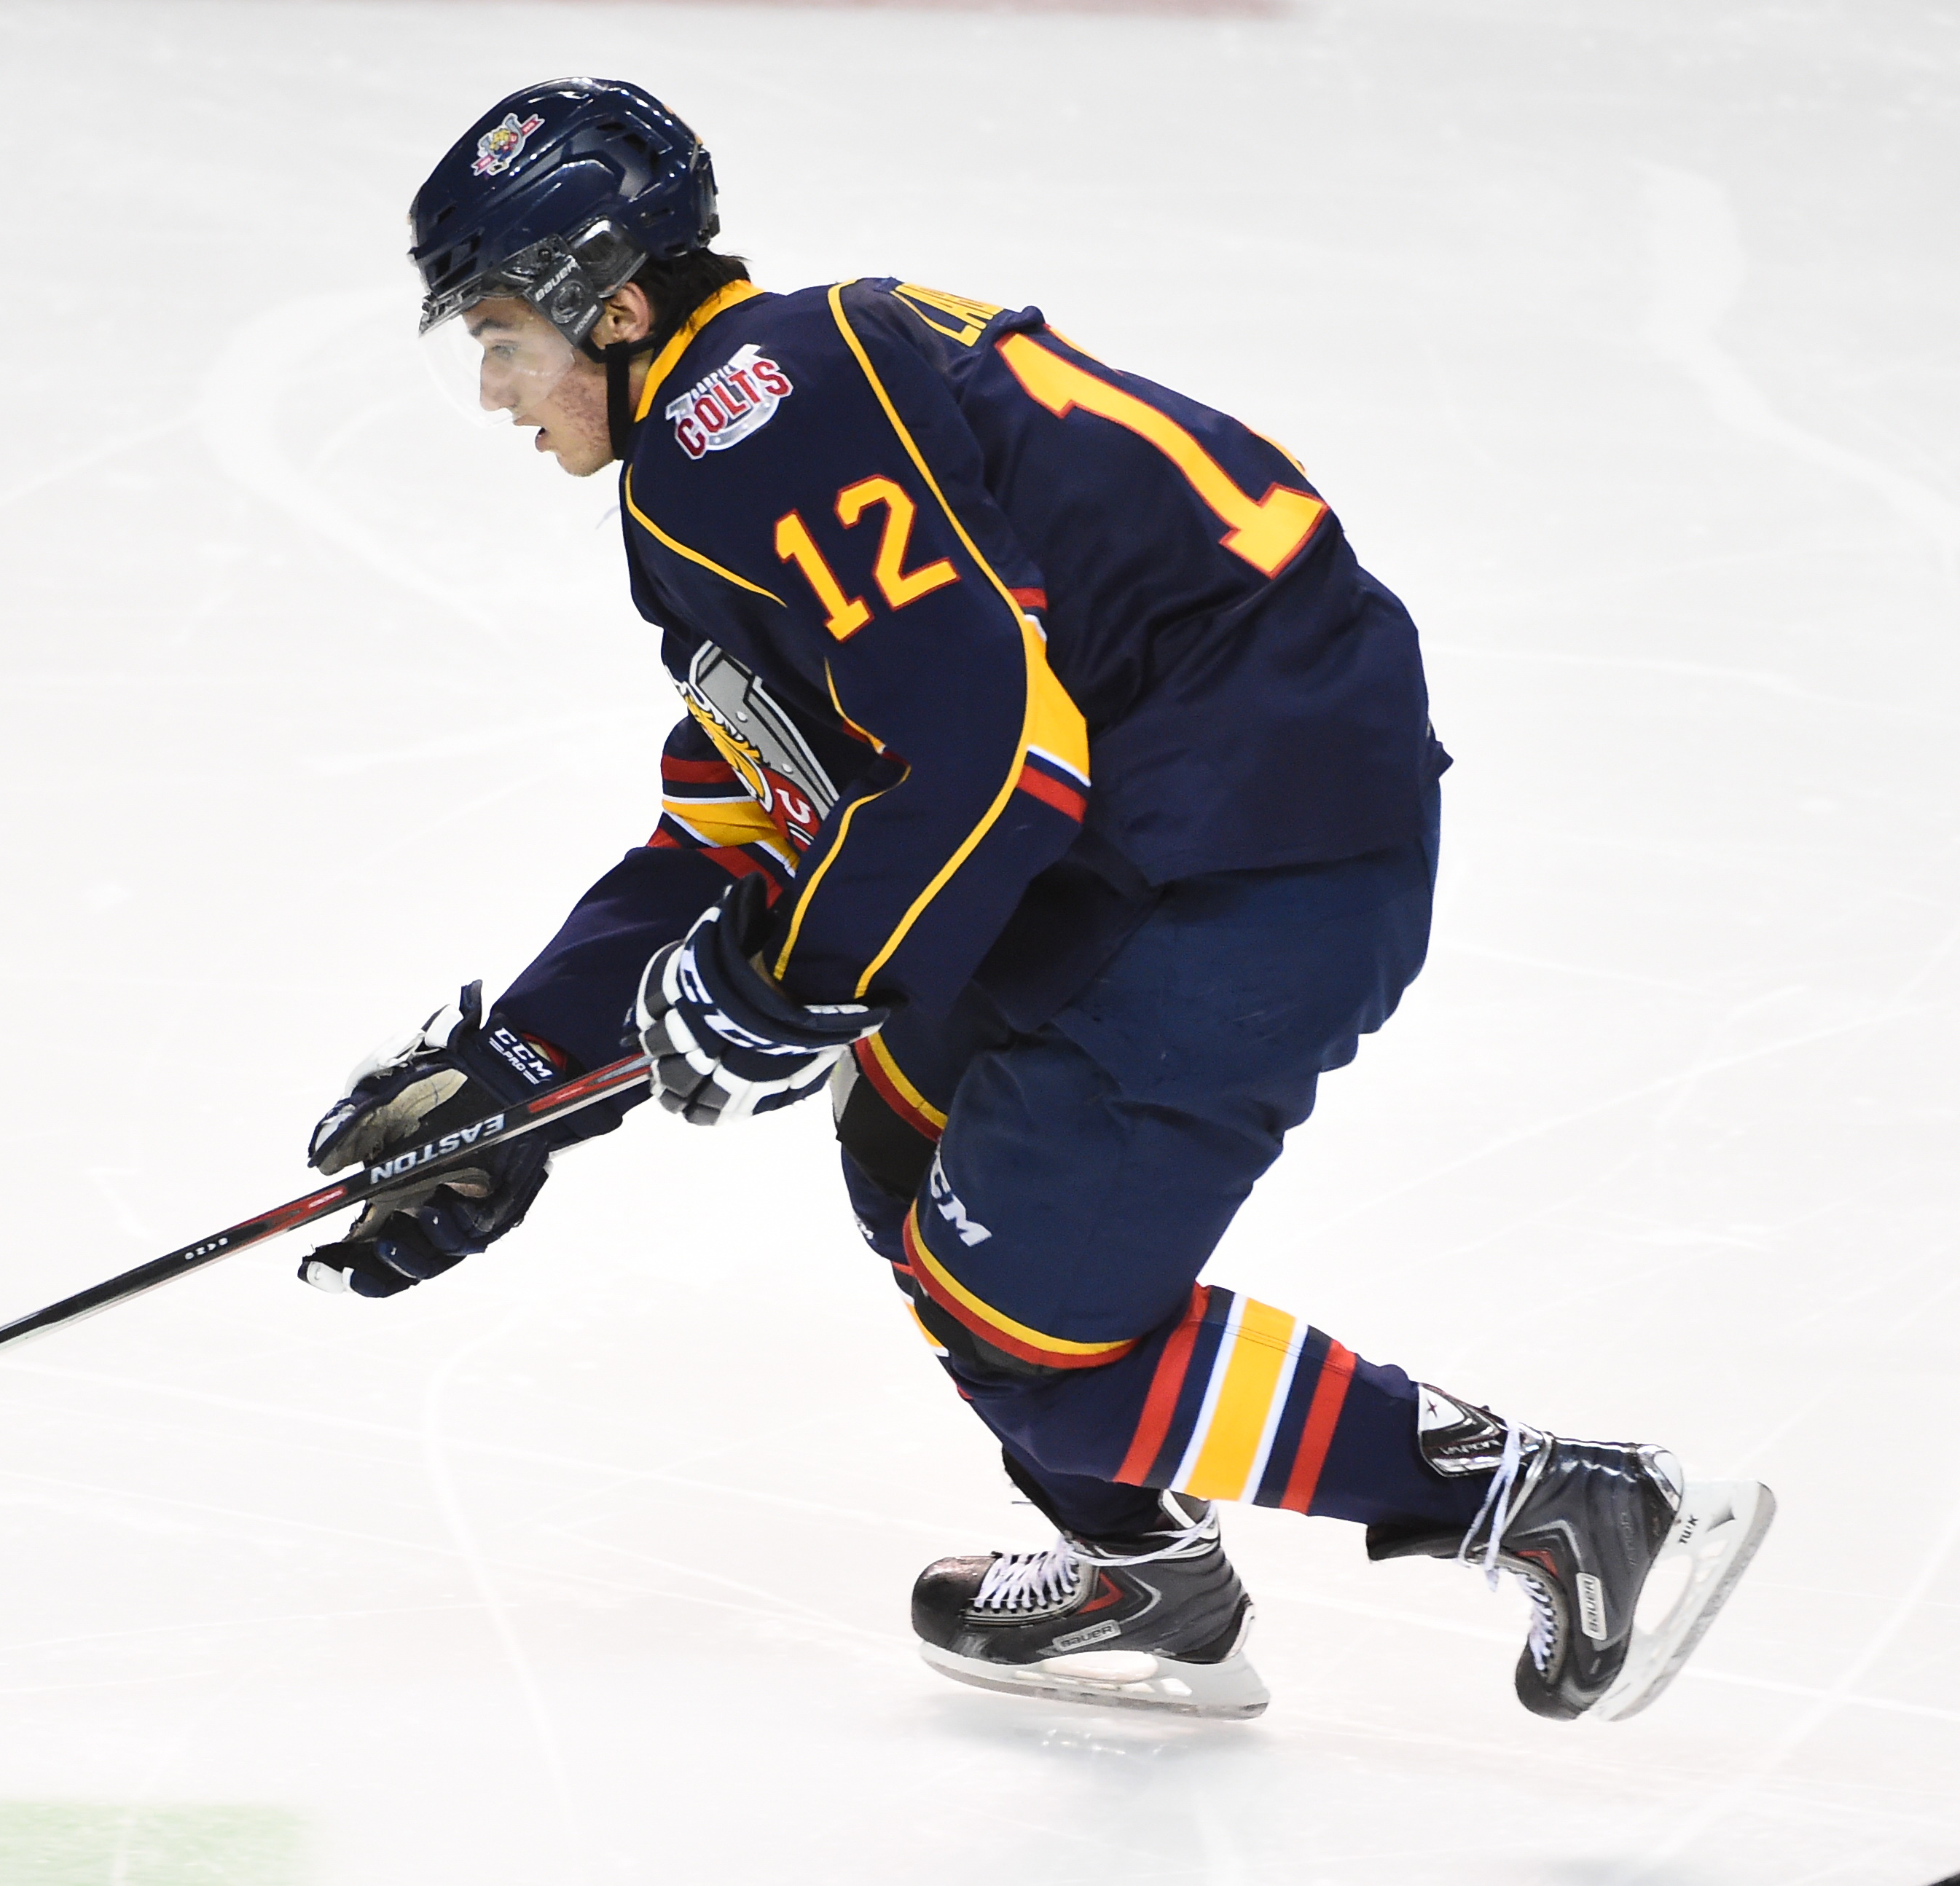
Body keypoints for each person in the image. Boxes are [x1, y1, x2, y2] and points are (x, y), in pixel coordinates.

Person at [296, 77, 1773, 1722]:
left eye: (503, 333)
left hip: (1245, 844)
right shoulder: (760, 398)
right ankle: (1141, 1568)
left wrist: (793, 981)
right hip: (1190, 805)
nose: (495, 389)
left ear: (615, 305)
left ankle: (1554, 1501)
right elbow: (755, 805)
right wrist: (527, 1071)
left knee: (1031, 1333)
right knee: (903, 1142)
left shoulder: (743, 420)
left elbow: (997, 749)